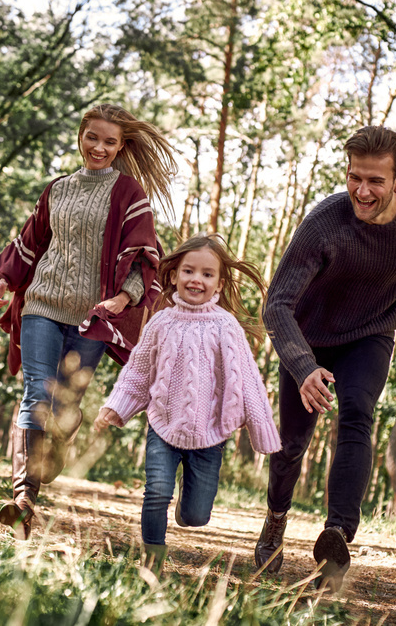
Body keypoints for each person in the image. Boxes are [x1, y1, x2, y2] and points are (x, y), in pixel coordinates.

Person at [253, 125, 396, 592]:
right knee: (292, 444)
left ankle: (337, 535)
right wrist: (304, 367)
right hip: (307, 338)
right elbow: (276, 305)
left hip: (369, 334)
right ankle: (275, 519)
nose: (362, 191)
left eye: (375, 181)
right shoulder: (324, 223)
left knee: (357, 416)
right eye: (354, 178)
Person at [0, 104, 177, 540]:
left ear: (121, 146)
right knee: (36, 389)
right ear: (81, 136)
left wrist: (123, 297)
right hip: (42, 304)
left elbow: (143, 255)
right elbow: (31, 243)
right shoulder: (57, 189)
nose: (100, 147)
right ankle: (23, 498)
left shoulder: (129, 193)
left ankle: (58, 444)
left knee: (66, 402)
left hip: (94, 316)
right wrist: (4, 279)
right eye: (93, 137)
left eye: (110, 141)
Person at [93, 234, 281, 576]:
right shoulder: (161, 323)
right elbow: (139, 372)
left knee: (196, 516)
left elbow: (249, 381)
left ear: (219, 283)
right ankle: (152, 562)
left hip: (210, 435)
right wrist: (115, 407)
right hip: (163, 426)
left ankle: (186, 510)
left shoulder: (226, 327)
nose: (197, 279)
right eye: (189, 271)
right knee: (156, 492)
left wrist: (262, 430)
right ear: (174, 275)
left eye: (207, 274)